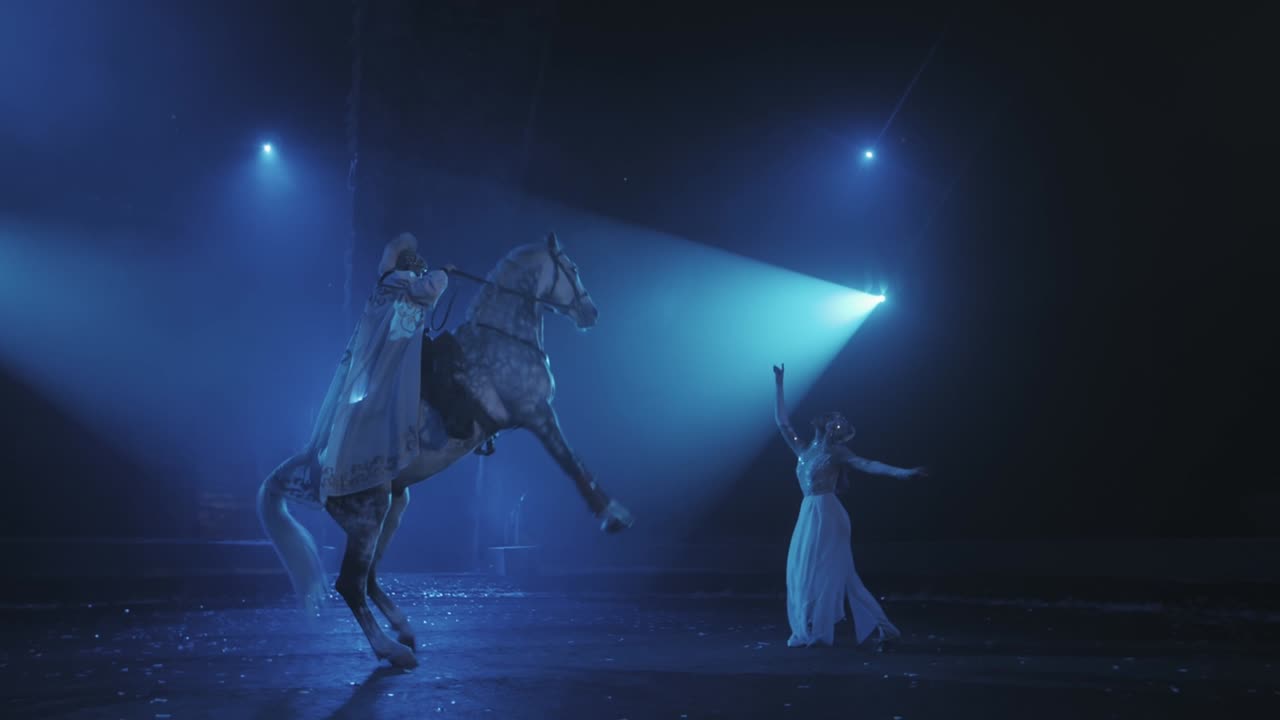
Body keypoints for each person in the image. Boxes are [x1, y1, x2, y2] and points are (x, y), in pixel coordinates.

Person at [773, 362, 929, 649]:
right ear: (824, 423)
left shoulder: (837, 452)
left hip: (829, 514)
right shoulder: (804, 450)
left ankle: (823, 630)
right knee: (804, 570)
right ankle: (882, 628)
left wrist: (902, 472)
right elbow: (783, 423)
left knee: (840, 574)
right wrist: (779, 385)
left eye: (839, 421)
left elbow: (868, 464)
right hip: (808, 514)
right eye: (834, 418)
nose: (837, 422)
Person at [304, 232, 451, 503]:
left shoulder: (390, 284)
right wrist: (443, 272)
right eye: (416, 264)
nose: (420, 268)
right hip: (389, 359)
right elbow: (426, 290)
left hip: (388, 352)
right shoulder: (401, 283)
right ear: (408, 265)